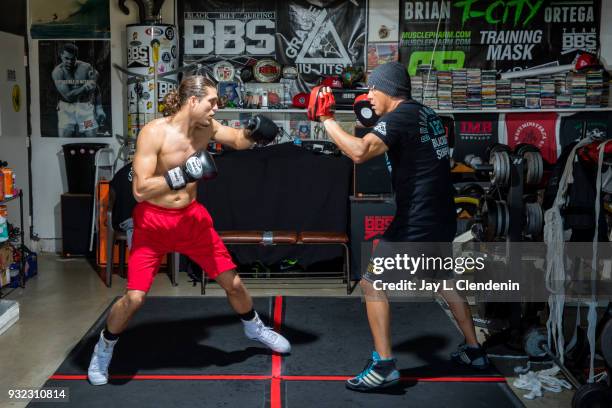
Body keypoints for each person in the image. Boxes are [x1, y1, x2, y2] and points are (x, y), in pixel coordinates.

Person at [87, 75, 290, 386]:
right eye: (212, 101)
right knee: (135, 298)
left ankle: (254, 326)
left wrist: (254, 133)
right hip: (152, 223)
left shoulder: (205, 128)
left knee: (233, 283)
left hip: (192, 220)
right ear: (193, 101)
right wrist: (181, 174)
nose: (216, 107)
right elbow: (140, 190)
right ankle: (105, 345)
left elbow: (237, 140)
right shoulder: (154, 133)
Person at [310, 62, 489, 392]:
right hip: (439, 214)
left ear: (383, 89)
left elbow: (360, 152)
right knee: (444, 279)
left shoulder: (400, 117)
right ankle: (474, 351)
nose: (368, 98)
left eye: (371, 91)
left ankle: (384, 366)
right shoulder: (425, 114)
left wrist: (326, 120)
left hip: (417, 219)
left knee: (371, 282)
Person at [52, 43, 106, 137]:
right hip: (66, 110)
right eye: (66, 58)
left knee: (91, 137)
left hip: (84, 110)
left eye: (73, 59)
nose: (69, 62)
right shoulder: (58, 72)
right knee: (64, 140)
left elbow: (95, 87)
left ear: (76, 57)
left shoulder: (86, 67)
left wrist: (99, 107)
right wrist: (84, 87)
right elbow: (68, 97)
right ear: (61, 56)